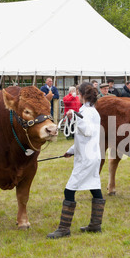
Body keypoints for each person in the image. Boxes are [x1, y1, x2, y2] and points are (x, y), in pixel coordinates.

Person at [47, 82, 105, 239]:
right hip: (91, 155)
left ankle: (64, 229)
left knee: (69, 190)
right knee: (94, 187)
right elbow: (85, 137)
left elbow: (87, 131)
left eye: (78, 94)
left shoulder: (86, 112)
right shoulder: (89, 110)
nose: (77, 97)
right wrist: (71, 151)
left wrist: (75, 116)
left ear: (82, 94)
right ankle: (95, 225)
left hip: (88, 158)